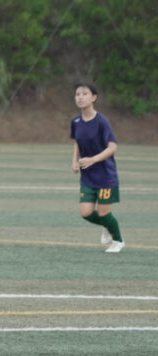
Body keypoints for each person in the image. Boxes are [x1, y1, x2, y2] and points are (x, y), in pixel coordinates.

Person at [71, 82, 124, 253]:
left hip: (105, 175)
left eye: (84, 94)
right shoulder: (76, 121)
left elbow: (113, 147)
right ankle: (108, 226)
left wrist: (93, 159)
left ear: (94, 97)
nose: (80, 97)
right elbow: (77, 142)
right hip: (87, 176)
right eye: (77, 94)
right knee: (86, 213)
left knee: (104, 213)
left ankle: (118, 241)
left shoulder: (102, 121)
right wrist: (74, 161)